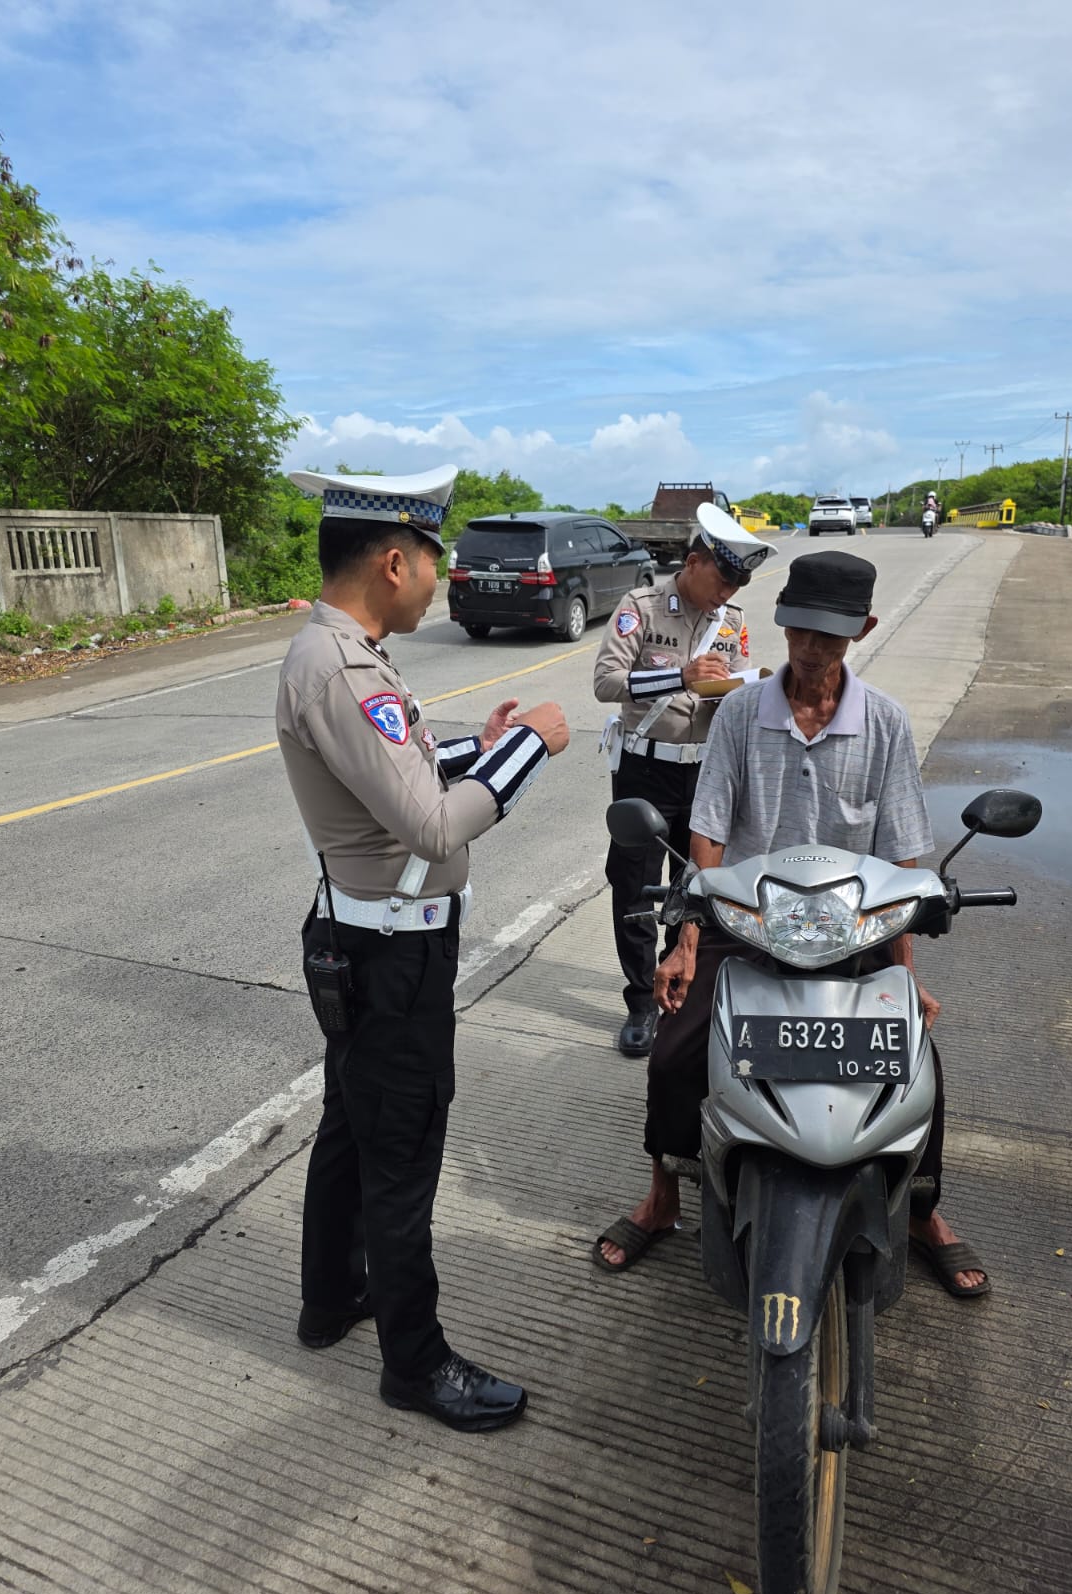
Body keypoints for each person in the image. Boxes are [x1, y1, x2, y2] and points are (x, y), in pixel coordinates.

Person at [594, 550, 989, 1297]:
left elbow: (902, 855)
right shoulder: (741, 713)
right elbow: (709, 829)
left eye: (829, 634)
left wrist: (905, 972)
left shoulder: (886, 723)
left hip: (854, 927)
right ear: (781, 624)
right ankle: (664, 1194)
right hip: (746, 921)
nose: (810, 648)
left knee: (916, 1066)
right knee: (675, 1054)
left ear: (862, 630)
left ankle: (920, 1210)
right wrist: (687, 938)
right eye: (800, 629)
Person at [276, 466, 570, 1431]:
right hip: (390, 960)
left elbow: (394, 773)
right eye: (435, 563)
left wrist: (478, 745)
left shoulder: (340, 652)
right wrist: (531, 746)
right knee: (401, 1155)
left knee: (352, 1129)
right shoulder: (343, 668)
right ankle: (416, 1362)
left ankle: (331, 1299)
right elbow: (433, 825)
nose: (441, 583)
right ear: (394, 563)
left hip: (361, 941)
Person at [593, 503, 774, 1057]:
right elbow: (605, 683)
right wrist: (681, 677)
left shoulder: (732, 621)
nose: (727, 593)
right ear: (693, 563)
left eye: (736, 585)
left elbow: (734, 686)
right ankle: (640, 1002)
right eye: (722, 580)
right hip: (646, 768)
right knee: (635, 886)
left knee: (696, 885)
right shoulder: (640, 607)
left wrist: (742, 692)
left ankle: (680, 987)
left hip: (705, 770)